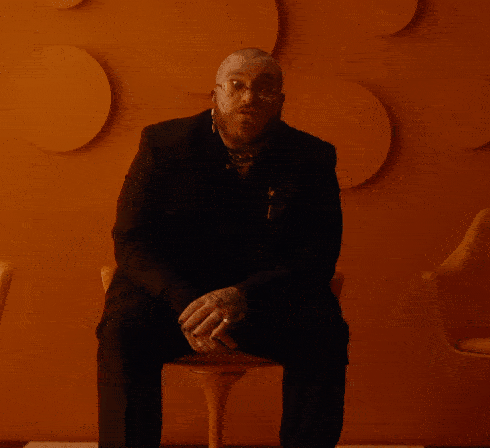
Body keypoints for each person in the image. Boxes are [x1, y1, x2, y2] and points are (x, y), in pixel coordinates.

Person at [96, 48, 349, 448]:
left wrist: (242, 295)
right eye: (236, 85)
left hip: (260, 301)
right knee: (122, 328)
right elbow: (131, 240)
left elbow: (318, 254)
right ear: (214, 93)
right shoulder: (163, 143)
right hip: (173, 300)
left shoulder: (312, 156)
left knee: (325, 330)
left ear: (280, 101)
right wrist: (187, 304)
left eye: (264, 88)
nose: (249, 97)